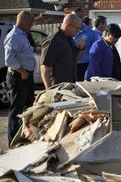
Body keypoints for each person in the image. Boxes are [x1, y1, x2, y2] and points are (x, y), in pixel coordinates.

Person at [3, 11, 35, 146]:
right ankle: (13, 141)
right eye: (31, 23)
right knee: (16, 110)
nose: (31, 26)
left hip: (26, 76)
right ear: (23, 21)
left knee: (28, 108)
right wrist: (22, 72)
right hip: (19, 77)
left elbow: (21, 52)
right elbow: (9, 59)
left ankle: (24, 136)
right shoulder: (15, 36)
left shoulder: (22, 35)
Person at [40, 14, 83, 89]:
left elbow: (75, 59)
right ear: (68, 25)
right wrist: (49, 90)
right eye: (77, 28)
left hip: (70, 86)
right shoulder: (54, 40)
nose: (78, 31)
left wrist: (80, 49)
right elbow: (45, 67)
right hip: (58, 88)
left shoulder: (69, 39)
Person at [72, 11, 99, 81]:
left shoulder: (92, 33)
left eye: (79, 17)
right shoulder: (70, 31)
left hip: (85, 66)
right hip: (70, 65)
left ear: (82, 18)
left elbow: (97, 51)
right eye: (74, 17)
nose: (76, 19)